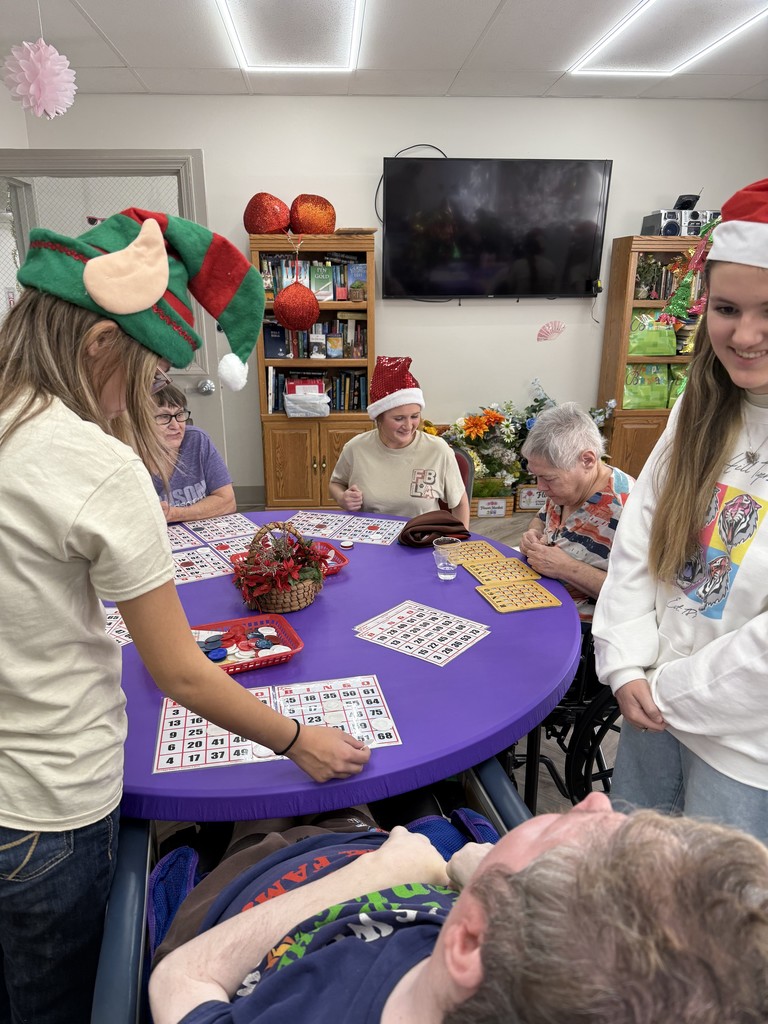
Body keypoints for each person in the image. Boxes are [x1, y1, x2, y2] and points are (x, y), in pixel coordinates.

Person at [0, 208, 370, 1024]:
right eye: (142, 376)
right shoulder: (94, 462)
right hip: (45, 805)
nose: (141, 403)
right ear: (100, 346)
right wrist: (298, 739)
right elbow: (179, 670)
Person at [148, 793, 768, 1024]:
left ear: (470, 941)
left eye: (569, 829)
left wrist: (377, 873)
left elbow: (182, 981)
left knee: (262, 796)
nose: (598, 799)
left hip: (265, 886)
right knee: (363, 789)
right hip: (402, 862)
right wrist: (482, 878)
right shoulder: (513, 968)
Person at [592, 178, 768, 843]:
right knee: (637, 880)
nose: (744, 335)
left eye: (767, 311)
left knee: (716, 925)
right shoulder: (699, 407)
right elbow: (640, 538)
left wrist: (674, 689)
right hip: (653, 707)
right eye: (726, 308)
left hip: (745, 749)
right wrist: (627, 663)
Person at [518, 401, 633, 622]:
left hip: (580, 631)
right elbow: (541, 519)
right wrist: (533, 534)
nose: (540, 487)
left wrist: (566, 568)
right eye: (536, 476)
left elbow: (634, 596)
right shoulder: (567, 489)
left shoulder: (627, 508)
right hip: (536, 600)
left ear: (587, 460)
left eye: (548, 478)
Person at [329, 356, 470, 527]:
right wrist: (342, 498)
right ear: (379, 418)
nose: (408, 426)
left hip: (420, 540)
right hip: (370, 538)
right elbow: (336, 483)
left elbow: (460, 504)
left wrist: (457, 547)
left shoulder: (438, 450)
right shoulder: (355, 447)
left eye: (415, 416)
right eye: (399, 418)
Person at [151, 381, 236, 522]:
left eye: (179, 414)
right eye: (164, 417)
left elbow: (228, 502)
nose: (176, 425)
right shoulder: (128, 456)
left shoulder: (197, 439)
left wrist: (175, 514)